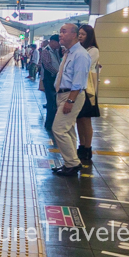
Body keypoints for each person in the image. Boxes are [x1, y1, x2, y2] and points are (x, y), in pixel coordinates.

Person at [51, 24, 91, 176]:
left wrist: (70, 101)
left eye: (63, 32)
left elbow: (78, 81)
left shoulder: (80, 55)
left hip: (70, 96)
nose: (60, 35)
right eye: (60, 31)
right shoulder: (69, 53)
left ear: (74, 35)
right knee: (68, 130)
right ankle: (71, 162)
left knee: (59, 129)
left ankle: (73, 163)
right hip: (63, 95)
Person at [76, 25, 100, 161]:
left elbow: (84, 66)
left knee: (86, 120)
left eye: (83, 34)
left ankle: (88, 148)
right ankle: (81, 145)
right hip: (80, 88)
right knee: (79, 119)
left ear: (89, 36)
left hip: (88, 89)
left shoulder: (93, 50)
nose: (80, 36)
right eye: (79, 34)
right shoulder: (81, 49)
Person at [41, 35, 62, 129]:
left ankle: (53, 122)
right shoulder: (46, 51)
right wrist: (58, 73)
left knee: (54, 101)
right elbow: (48, 66)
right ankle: (49, 124)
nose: (59, 44)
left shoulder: (56, 51)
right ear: (53, 41)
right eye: (59, 42)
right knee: (51, 101)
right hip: (50, 79)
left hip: (55, 78)